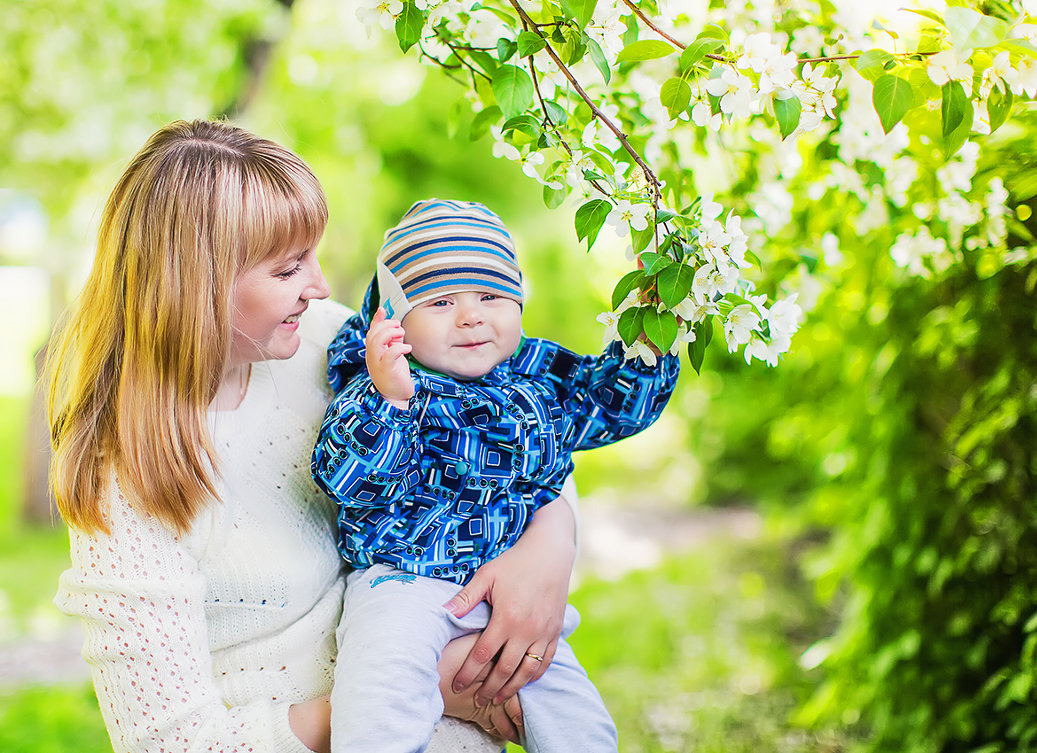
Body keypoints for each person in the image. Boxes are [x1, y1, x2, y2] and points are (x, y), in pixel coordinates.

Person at [46, 120, 581, 753]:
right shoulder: (126, 484)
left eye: (313, 256)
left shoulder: (329, 343)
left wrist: (549, 546)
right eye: (287, 269)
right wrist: (419, 685)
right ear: (198, 288)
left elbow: (508, 424)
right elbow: (173, 744)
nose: (322, 286)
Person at [311, 199, 680, 752]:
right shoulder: (384, 383)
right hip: (403, 583)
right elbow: (348, 480)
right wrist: (389, 399)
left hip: (511, 593)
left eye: (490, 295)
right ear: (395, 319)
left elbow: (609, 404)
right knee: (380, 698)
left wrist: (652, 335)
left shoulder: (536, 375)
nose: (471, 316)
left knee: (580, 723)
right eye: (440, 302)